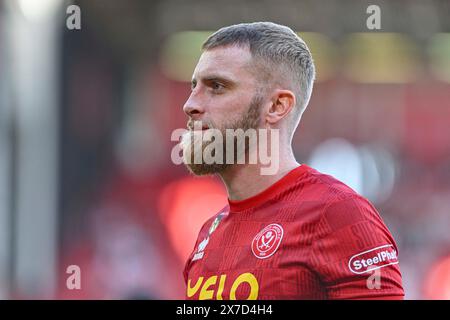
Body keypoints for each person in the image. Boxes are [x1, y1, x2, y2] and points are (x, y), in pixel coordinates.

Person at [180, 22, 404, 299]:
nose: (190, 104)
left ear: (277, 106)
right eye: (195, 86)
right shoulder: (208, 233)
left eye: (217, 86)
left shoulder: (336, 213)